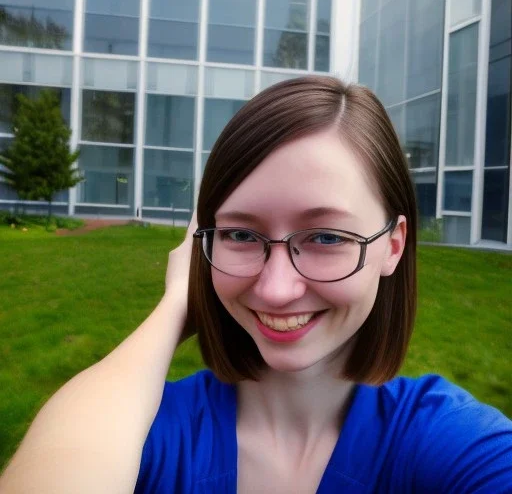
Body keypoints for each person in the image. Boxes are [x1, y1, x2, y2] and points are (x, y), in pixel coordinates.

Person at [0, 76, 511, 493]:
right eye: (241, 234)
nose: (275, 289)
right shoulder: (145, 433)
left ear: (393, 246)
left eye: (327, 236)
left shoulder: (449, 445)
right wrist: (181, 299)